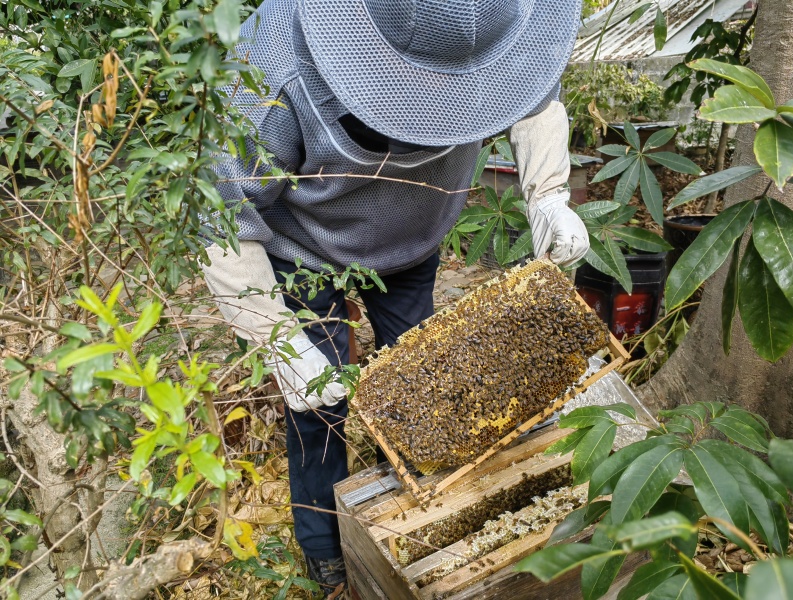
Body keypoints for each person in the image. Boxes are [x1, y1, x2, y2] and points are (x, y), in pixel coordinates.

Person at [202, 0, 589, 591]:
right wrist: (275, 341)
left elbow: (535, 97)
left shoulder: (510, 26)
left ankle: (421, 505)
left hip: (412, 242)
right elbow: (220, 215)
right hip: (302, 248)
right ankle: (327, 550)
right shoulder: (269, 65)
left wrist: (548, 193)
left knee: (423, 381)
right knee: (317, 408)